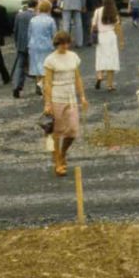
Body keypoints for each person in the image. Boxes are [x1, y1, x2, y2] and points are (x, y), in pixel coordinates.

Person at [43, 30, 88, 177]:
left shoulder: (73, 56)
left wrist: (82, 96)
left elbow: (77, 78)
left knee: (73, 129)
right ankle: (57, 161)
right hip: (57, 97)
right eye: (62, 44)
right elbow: (47, 83)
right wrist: (47, 103)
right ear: (57, 44)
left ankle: (63, 153)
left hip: (71, 96)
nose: (65, 46)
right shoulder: (50, 60)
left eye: (67, 43)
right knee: (56, 131)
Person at [94, 0, 124, 91]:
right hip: (111, 36)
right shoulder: (114, 12)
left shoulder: (97, 11)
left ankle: (99, 75)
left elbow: (94, 25)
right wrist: (121, 41)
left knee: (100, 57)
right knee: (111, 60)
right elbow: (118, 27)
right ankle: (109, 85)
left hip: (101, 36)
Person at [28, 0, 57, 96]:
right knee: (46, 67)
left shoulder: (33, 20)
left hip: (34, 45)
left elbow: (29, 33)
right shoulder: (50, 20)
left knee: (37, 66)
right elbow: (54, 34)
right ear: (49, 9)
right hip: (47, 45)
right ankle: (42, 84)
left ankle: (38, 83)